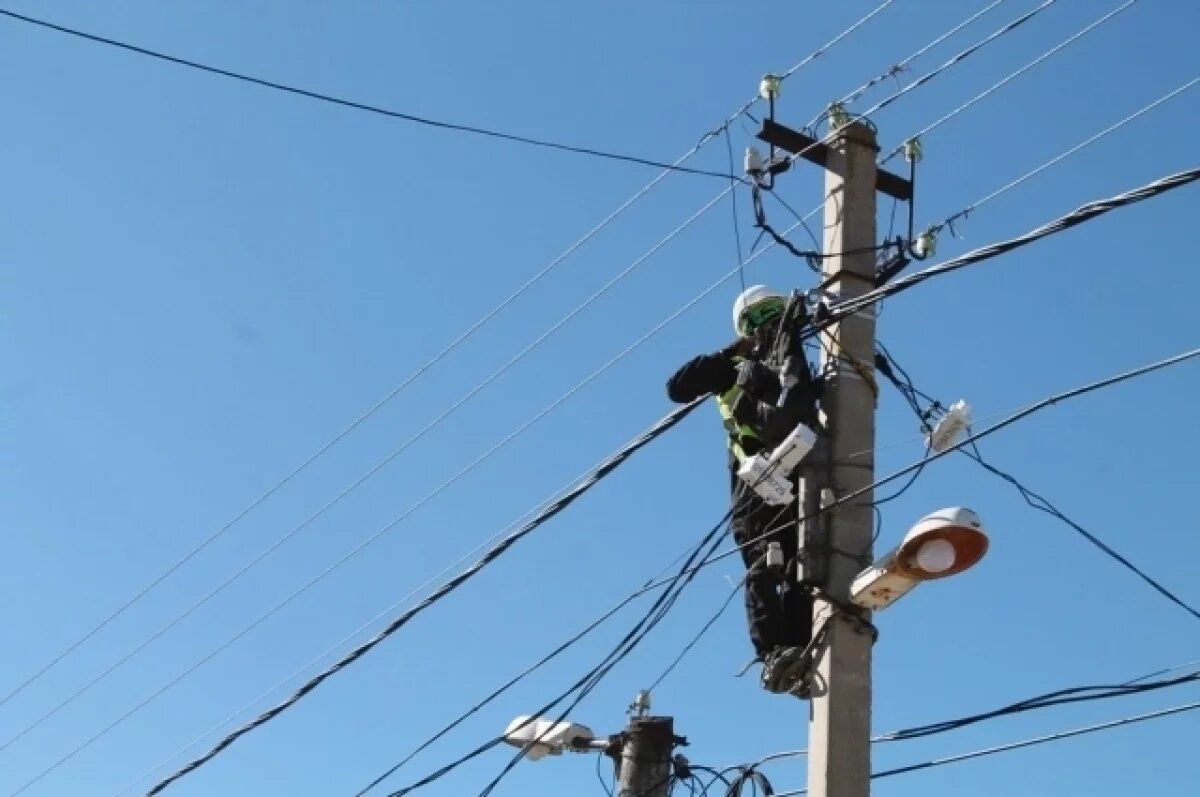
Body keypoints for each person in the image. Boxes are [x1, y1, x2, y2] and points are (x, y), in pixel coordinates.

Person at [665, 284, 822, 693]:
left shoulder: (795, 365)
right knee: (770, 565)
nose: (767, 327)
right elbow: (678, 387)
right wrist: (731, 352)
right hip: (757, 484)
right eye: (760, 320)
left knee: (800, 568)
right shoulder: (734, 368)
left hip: (798, 485)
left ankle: (801, 649)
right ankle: (777, 652)